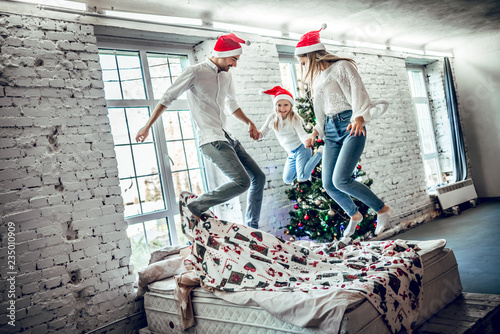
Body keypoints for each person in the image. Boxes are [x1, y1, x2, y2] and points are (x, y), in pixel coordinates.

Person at [135, 33, 265, 229]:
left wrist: (249, 122)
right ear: (222, 54)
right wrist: (147, 126)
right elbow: (167, 97)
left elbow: (231, 103)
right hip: (211, 139)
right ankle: (195, 206)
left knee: (259, 177)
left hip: (228, 137)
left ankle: (253, 226)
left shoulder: (227, 76)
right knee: (242, 182)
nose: (235, 64)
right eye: (234, 59)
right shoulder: (195, 72)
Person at [294, 24, 392, 238]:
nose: (302, 68)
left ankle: (382, 209)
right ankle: (354, 215)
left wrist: (359, 117)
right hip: (330, 129)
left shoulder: (342, 67)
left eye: (303, 62)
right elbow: (320, 110)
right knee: (328, 184)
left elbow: (358, 91)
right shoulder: (318, 79)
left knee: (341, 179)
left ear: (311, 56)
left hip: (350, 124)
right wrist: (315, 133)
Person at [256, 86, 323, 184]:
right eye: (279, 105)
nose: (282, 108)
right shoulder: (272, 118)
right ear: (275, 105)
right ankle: (302, 169)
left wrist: (306, 141)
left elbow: (302, 134)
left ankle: (320, 153)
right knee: (287, 179)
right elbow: (263, 131)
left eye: (286, 105)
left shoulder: (293, 118)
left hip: (301, 149)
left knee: (302, 177)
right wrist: (257, 135)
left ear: (290, 105)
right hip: (291, 153)